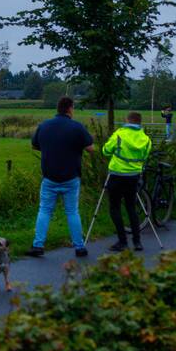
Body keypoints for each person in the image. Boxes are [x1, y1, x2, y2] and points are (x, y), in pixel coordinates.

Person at [27, 96, 95, 259]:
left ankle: (38, 245)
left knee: (44, 210)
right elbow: (91, 148)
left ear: (58, 108)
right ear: (70, 108)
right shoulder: (76, 127)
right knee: (72, 212)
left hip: (49, 176)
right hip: (71, 177)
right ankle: (79, 247)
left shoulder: (44, 126)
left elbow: (34, 145)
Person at [102, 111, 152, 252]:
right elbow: (145, 156)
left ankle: (122, 241)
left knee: (115, 207)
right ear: (139, 122)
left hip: (117, 175)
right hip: (133, 176)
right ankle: (137, 242)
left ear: (127, 120)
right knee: (131, 207)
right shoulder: (145, 139)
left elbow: (105, 151)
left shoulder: (119, 134)